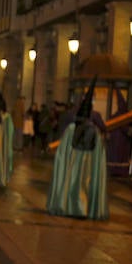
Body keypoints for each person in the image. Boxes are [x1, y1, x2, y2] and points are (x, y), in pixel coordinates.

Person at [47, 77, 108, 219]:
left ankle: (68, 205)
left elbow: (62, 154)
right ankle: (85, 207)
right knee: (86, 182)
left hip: (72, 165)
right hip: (88, 168)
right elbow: (100, 157)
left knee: (71, 180)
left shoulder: (71, 128)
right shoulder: (96, 132)